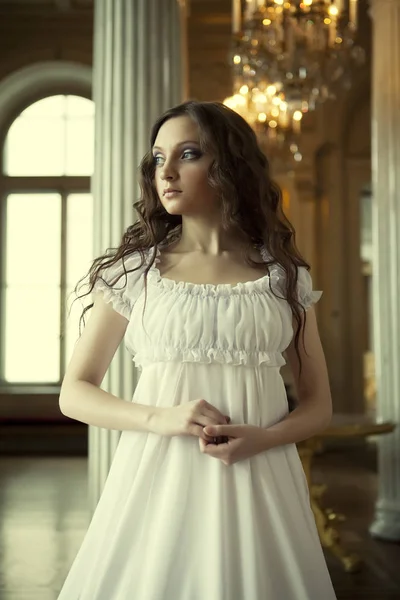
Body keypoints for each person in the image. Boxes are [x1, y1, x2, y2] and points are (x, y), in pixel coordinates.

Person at [57, 100, 337, 600]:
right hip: (157, 477)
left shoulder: (284, 278)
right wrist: (162, 418)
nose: (166, 172)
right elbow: (74, 393)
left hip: (261, 477)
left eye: (187, 154)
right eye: (158, 158)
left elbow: (319, 405)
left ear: (228, 165)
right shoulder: (134, 273)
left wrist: (263, 440)